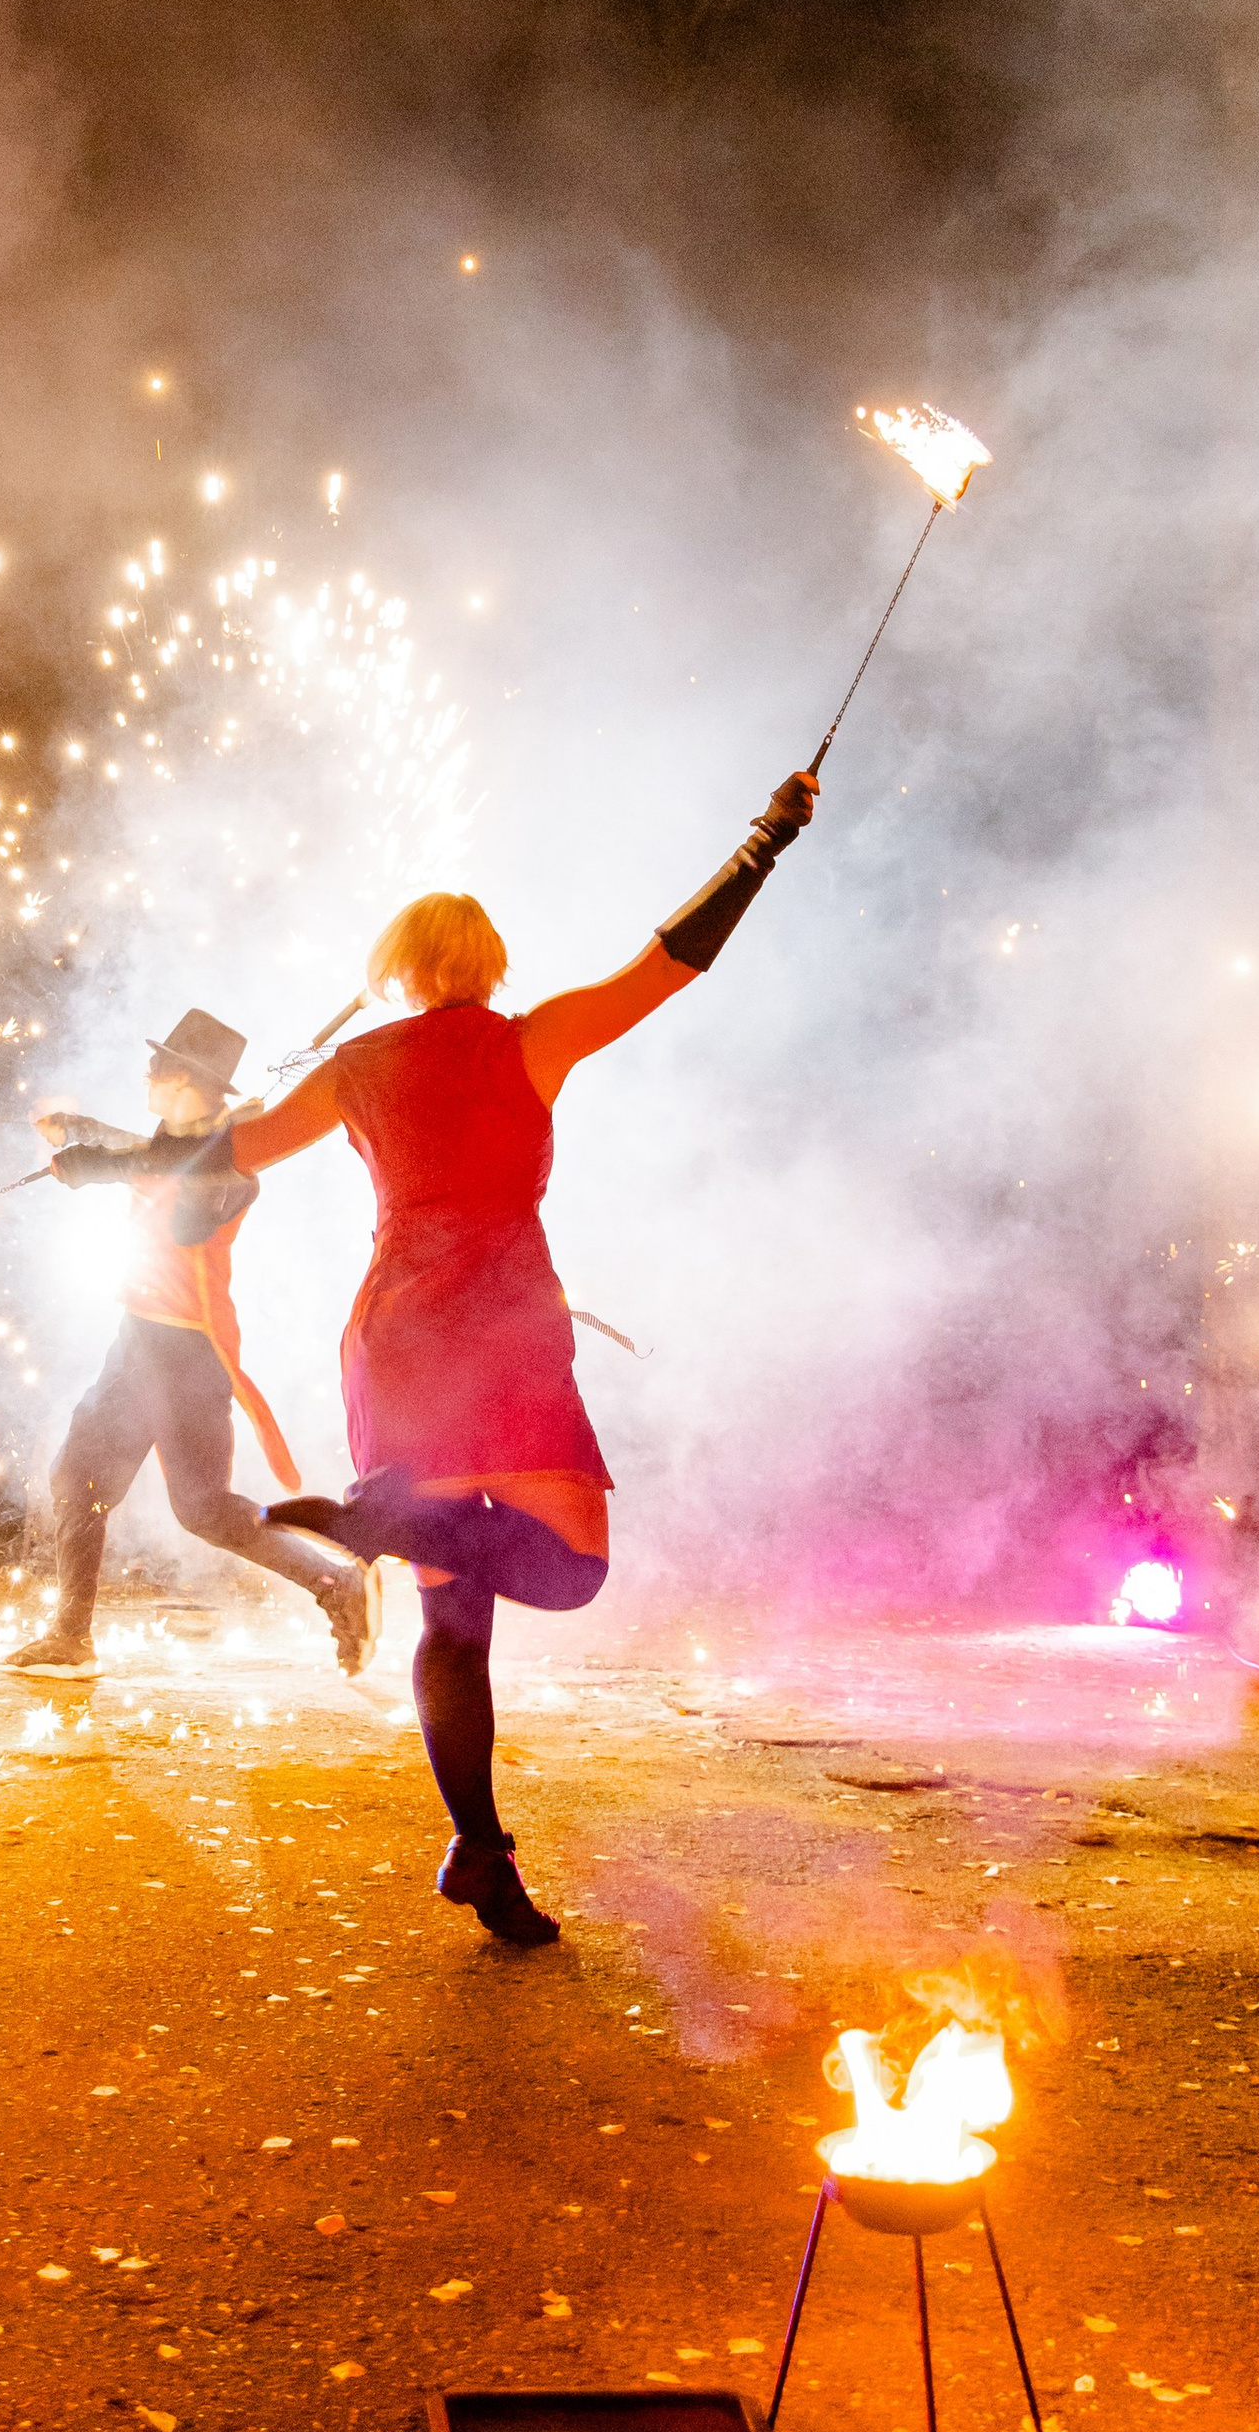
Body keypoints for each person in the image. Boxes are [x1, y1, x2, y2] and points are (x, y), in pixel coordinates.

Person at [198, 769, 820, 1946]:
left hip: (398, 1343)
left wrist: (124, 1150)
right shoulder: (534, 1040)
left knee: (452, 1623)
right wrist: (764, 842)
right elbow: (670, 964)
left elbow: (225, 1155)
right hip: (504, 1337)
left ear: (397, 968)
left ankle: (481, 1847)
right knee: (570, 1568)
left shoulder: (354, 1069)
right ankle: (479, 1851)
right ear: (486, 962)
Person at [2, 1007, 373, 1685]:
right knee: (140, 1494)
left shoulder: (229, 1170)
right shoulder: (180, 1144)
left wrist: (102, 1162)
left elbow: (177, 1208)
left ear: (182, 1079)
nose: (145, 1072)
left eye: (157, 1064)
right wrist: (82, 1139)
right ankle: (72, 1637)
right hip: (150, 1342)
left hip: (175, 1353)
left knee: (152, 1497)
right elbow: (151, 1156)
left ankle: (72, 1636)